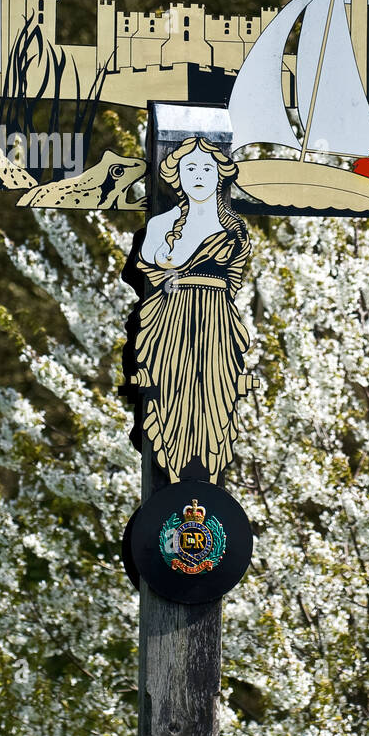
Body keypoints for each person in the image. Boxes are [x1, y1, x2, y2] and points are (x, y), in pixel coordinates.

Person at [133, 136, 251, 482]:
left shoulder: (234, 228)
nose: (198, 175)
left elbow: (234, 277)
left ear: (219, 174)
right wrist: (170, 281)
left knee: (215, 396)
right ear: (177, 175)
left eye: (206, 167)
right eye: (190, 168)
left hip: (216, 320)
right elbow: (148, 269)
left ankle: (209, 474)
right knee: (173, 390)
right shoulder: (160, 225)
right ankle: (172, 467)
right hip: (173, 320)